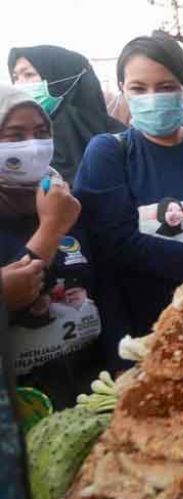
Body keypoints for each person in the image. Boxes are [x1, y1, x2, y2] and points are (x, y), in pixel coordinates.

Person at [73, 35, 183, 370]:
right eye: (139, 88)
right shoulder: (108, 152)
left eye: (166, 86)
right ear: (123, 89)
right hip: (138, 331)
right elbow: (115, 242)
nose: (152, 98)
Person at [0, 84, 100, 409]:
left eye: (42, 132)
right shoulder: (60, 213)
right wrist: (52, 227)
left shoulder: (64, 199)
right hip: (20, 406)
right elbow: (18, 287)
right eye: (15, 136)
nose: (34, 146)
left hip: (89, 390)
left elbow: (101, 282)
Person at [8, 45, 125, 182]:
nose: (19, 85)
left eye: (28, 75)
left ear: (63, 78)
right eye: (15, 77)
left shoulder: (121, 140)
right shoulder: (18, 140)